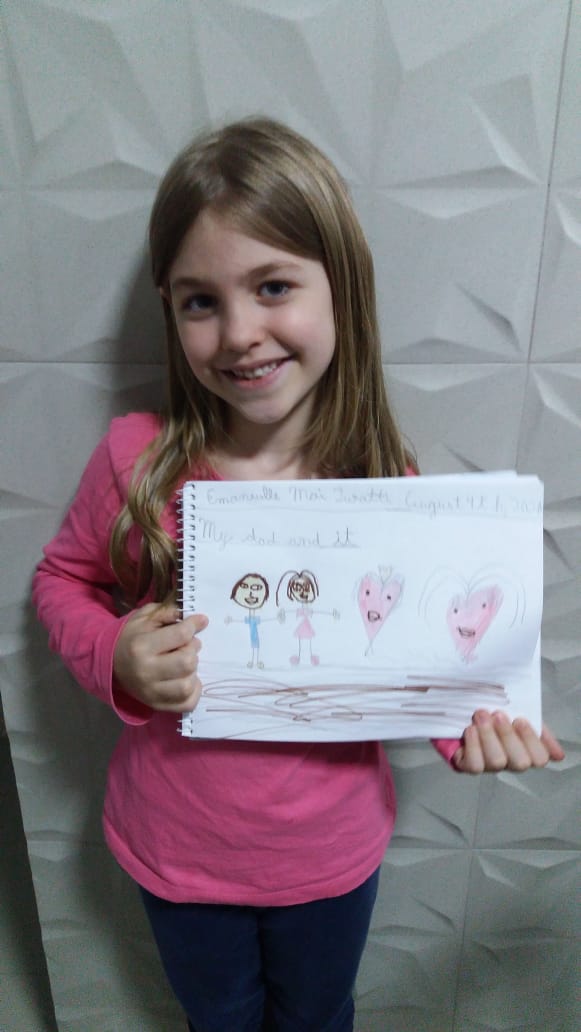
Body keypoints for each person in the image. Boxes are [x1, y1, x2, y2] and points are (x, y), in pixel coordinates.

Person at [32, 117, 564, 1032]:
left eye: (272, 286)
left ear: (340, 289)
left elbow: (418, 653)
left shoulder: (381, 486)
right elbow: (60, 579)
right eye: (200, 302)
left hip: (328, 858)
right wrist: (114, 652)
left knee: (319, 1016)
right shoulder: (136, 460)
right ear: (168, 310)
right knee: (219, 1020)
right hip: (177, 850)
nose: (240, 333)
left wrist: (472, 728)